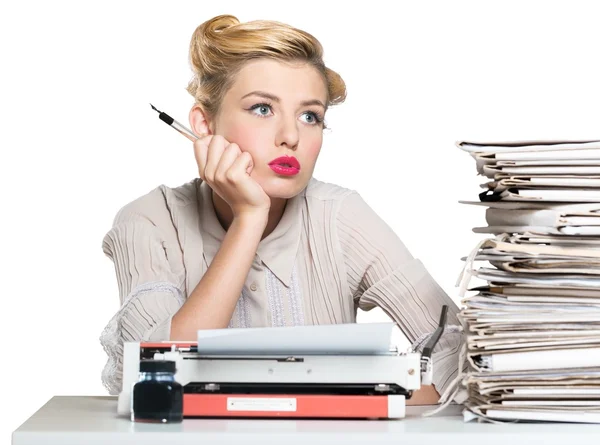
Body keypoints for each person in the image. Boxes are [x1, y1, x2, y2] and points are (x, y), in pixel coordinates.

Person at [99, 14, 462, 405]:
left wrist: (360, 400)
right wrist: (248, 219)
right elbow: (156, 380)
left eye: (310, 116)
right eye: (262, 109)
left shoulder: (340, 216)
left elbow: (461, 352)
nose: (291, 136)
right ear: (204, 125)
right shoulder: (149, 219)